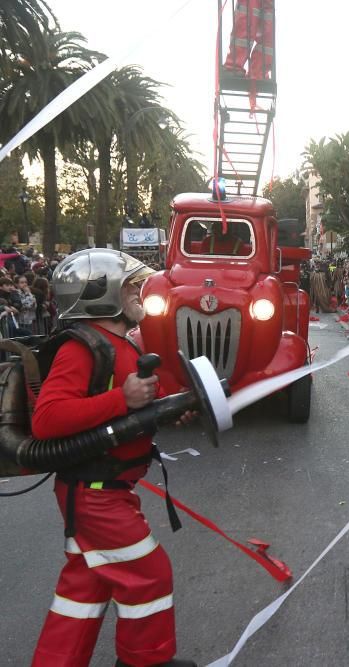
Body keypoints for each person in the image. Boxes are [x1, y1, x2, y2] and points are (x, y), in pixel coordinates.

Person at [31, 249, 194, 667]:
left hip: (101, 491)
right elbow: (47, 420)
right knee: (149, 573)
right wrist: (122, 398)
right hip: (95, 493)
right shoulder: (81, 347)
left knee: (83, 590)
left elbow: (124, 409)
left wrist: (166, 410)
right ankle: (145, 661)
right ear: (100, 294)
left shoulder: (116, 342)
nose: (139, 291)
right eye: (130, 286)